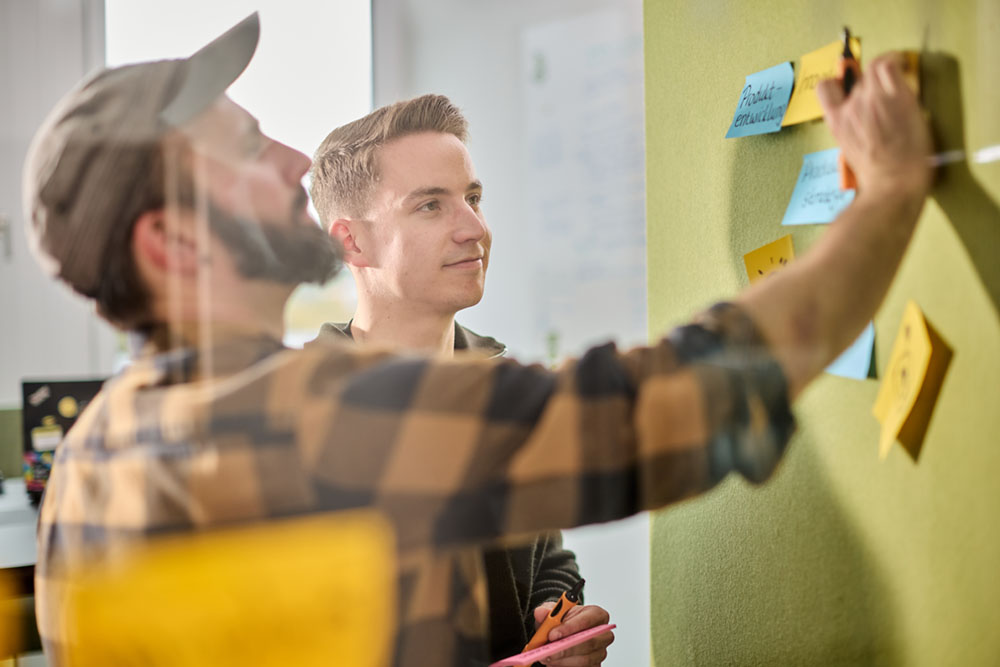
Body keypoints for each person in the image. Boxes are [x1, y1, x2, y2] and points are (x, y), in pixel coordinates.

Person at [23, 13, 932, 667]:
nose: (296, 165)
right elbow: (668, 407)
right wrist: (889, 194)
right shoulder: (311, 415)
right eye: (249, 150)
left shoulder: (94, 451)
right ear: (172, 241)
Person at [308, 94, 612, 665]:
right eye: (430, 206)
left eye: (473, 198)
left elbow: (547, 561)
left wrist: (556, 616)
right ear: (352, 241)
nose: (474, 227)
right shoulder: (291, 415)